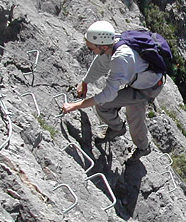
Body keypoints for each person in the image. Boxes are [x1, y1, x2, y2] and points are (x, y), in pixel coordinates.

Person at [62, 21, 165, 163]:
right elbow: (100, 65)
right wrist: (85, 82)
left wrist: (76, 105)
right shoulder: (113, 44)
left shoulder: (121, 58)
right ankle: (132, 139)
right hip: (142, 80)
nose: (90, 51)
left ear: (102, 46)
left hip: (147, 88)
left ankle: (130, 138)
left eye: (91, 49)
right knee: (129, 113)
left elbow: (108, 95)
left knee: (108, 107)